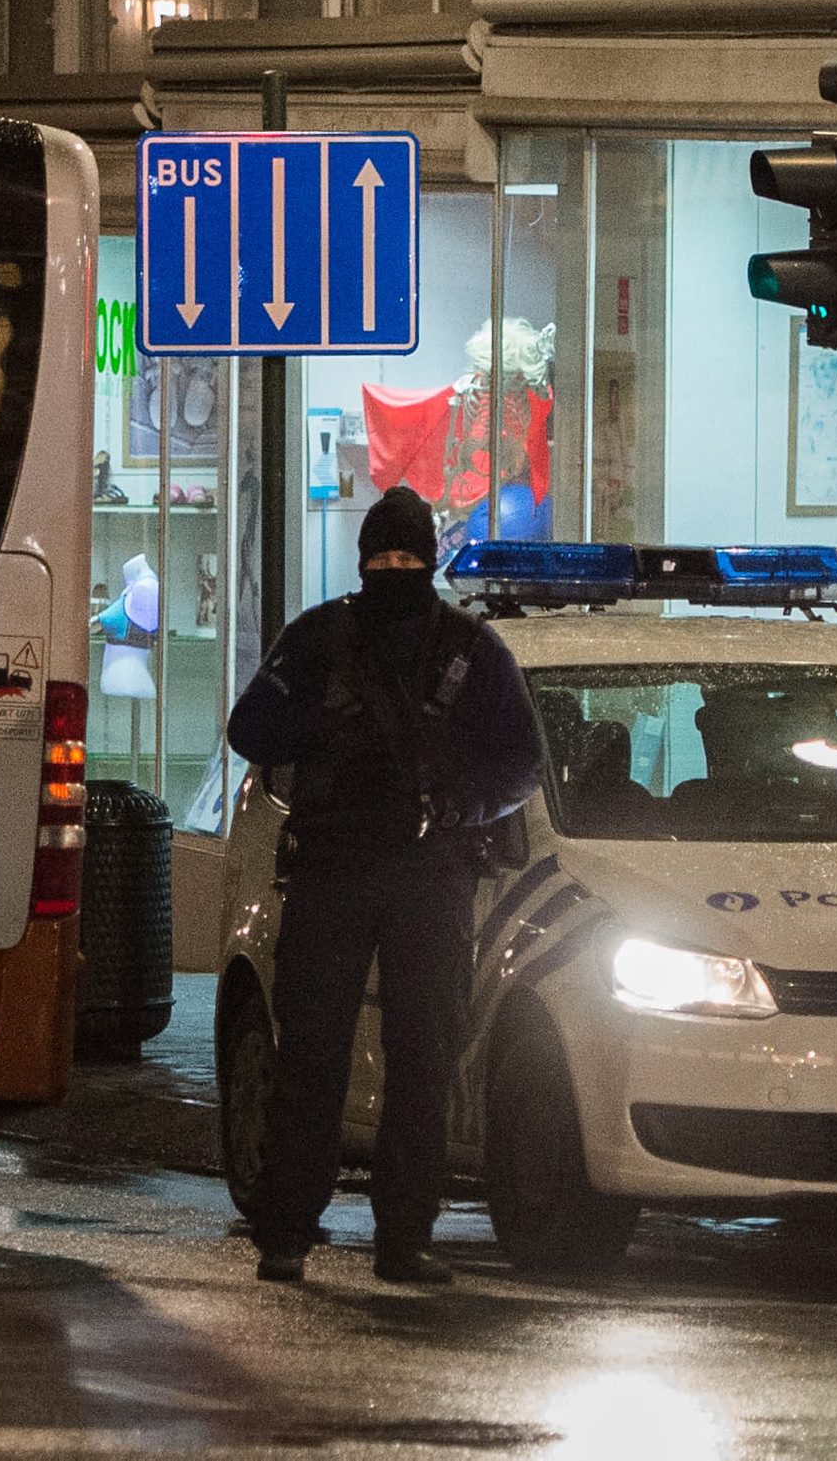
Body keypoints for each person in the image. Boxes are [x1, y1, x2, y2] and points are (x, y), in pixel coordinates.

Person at [228, 485, 541, 1286]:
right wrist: (323, 729)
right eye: (383, 557)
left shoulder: (464, 650)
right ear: (364, 559)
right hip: (341, 868)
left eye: (406, 557)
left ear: (428, 560)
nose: (394, 570)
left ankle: (392, 1236)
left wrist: (460, 805)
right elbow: (251, 728)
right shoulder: (324, 640)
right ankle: (298, 1231)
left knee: (418, 1060)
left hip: (423, 871)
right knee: (319, 1057)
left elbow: (517, 762)